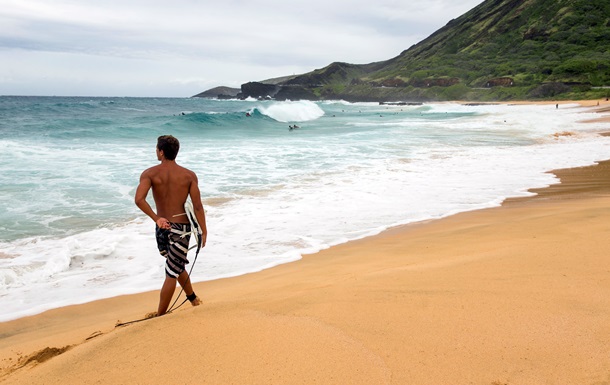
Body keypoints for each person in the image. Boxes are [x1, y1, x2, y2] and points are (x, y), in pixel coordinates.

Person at [135, 135, 207, 316]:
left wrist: (156, 218)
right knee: (174, 266)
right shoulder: (189, 175)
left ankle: (161, 316)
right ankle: (189, 301)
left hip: (162, 227)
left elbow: (139, 200)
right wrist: (203, 231)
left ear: (161, 152)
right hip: (181, 229)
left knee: (173, 268)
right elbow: (197, 206)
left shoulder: (149, 173)